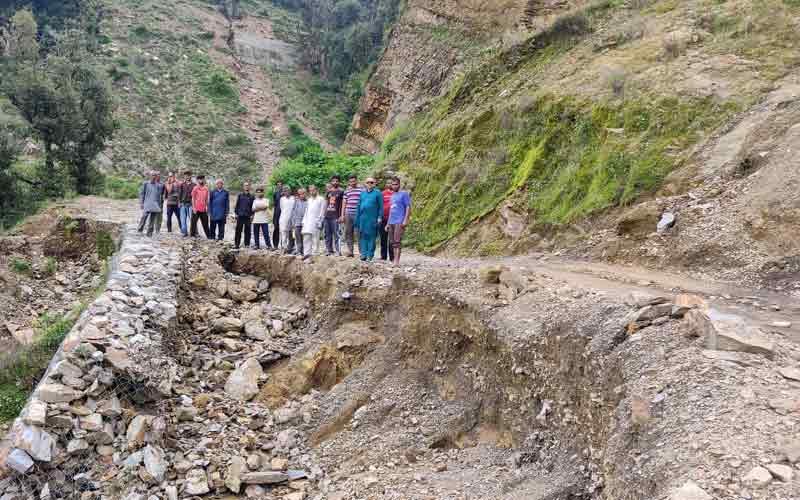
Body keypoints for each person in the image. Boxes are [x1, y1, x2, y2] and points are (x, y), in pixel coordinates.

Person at [387, 176, 412, 266]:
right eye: (393, 184)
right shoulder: (392, 196)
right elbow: (391, 210)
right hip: (392, 221)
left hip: (399, 221)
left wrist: (405, 220)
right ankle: (394, 259)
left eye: (396, 184)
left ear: (399, 185)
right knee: (392, 242)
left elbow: (408, 207)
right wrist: (387, 223)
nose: (394, 186)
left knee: (397, 241)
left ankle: (396, 261)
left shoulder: (404, 194)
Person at [356, 177, 383, 261]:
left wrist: (380, 217)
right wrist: (357, 218)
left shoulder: (377, 193)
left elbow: (381, 207)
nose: (369, 184)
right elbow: (359, 206)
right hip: (363, 218)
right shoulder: (362, 193)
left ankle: (369, 255)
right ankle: (363, 254)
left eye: (371, 182)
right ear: (365, 184)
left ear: (374, 184)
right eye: (368, 182)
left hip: (372, 218)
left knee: (371, 237)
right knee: (363, 236)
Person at [342, 175, 363, 257]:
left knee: (359, 233)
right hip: (348, 213)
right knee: (348, 232)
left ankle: (362, 252)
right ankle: (350, 251)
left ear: (357, 181)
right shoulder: (347, 191)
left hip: (358, 214)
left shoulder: (362, 190)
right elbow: (344, 203)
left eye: (354, 181)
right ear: (349, 182)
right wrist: (342, 215)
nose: (352, 183)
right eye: (351, 181)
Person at [138, 171, 165, 238]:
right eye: (152, 175)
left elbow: (159, 196)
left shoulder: (158, 186)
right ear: (150, 176)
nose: (154, 177)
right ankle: (140, 229)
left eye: (155, 175)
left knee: (152, 220)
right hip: (147, 203)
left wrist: (159, 205)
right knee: (144, 216)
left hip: (155, 204)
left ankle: (149, 234)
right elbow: (142, 194)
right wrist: (141, 203)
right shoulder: (146, 184)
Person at [303, 184, 326, 259]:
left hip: (316, 221)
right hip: (307, 221)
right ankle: (306, 254)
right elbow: (306, 211)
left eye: (313, 190)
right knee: (306, 238)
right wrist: (304, 221)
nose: (312, 192)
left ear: (316, 190)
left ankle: (314, 254)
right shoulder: (309, 200)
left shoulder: (321, 199)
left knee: (315, 239)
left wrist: (320, 222)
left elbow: (322, 211)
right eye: (310, 191)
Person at [324, 177, 344, 256]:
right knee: (327, 234)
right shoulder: (328, 191)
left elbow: (343, 204)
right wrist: (324, 214)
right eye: (333, 181)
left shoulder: (341, 191)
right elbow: (326, 203)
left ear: (339, 182)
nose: (335, 182)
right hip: (327, 215)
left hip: (336, 216)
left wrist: (341, 215)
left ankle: (338, 251)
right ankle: (329, 250)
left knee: (336, 234)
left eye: (336, 181)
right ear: (331, 182)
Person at [234, 182, 255, 250]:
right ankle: (237, 244)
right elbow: (237, 205)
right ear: (243, 187)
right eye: (245, 185)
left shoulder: (252, 196)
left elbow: (253, 206)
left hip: (248, 216)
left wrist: (252, 215)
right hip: (240, 215)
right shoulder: (240, 195)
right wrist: (236, 213)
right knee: (238, 231)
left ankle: (247, 244)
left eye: (248, 185)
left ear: (249, 187)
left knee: (248, 231)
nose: (246, 187)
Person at [289, 188, 307, 255]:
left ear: (305, 194)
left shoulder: (308, 202)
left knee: (304, 237)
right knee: (297, 237)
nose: (301, 195)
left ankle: (304, 251)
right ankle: (298, 250)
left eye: (303, 194)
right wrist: (293, 221)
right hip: (297, 222)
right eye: (300, 194)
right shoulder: (296, 202)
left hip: (305, 223)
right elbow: (293, 212)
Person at [380, 180, 394, 262]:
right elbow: (380, 204)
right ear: (385, 184)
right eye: (388, 183)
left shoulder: (395, 193)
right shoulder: (382, 193)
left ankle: (392, 257)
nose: (389, 185)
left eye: (391, 183)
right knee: (383, 238)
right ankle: (383, 256)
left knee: (391, 239)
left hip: (392, 219)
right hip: (383, 218)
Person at [178, 170, 195, 236]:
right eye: (186, 176)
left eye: (188, 175)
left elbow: (196, 196)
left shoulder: (194, 185)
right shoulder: (182, 185)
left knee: (192, 219)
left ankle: (193, 232)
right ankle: (184, 232)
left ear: (190, 176)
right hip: (183, 204)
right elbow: (180, 194)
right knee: (183, 219)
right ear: (184, 176)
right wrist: (179, 202)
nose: (187, 177)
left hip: (191, 204)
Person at [278, 186, 295, 251]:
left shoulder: (293, 198)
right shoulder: (282, 199)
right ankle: (284, 247)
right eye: (285, 191)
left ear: (290, 191)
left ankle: (291, 247)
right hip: (283, 217)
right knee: (283, 232)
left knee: (291, 233)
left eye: (287, 191)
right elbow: (281, 208)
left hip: (291, 218)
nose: (286, 192)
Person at [272, 181, 283, 249]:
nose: (279, 186)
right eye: (278, 185)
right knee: (276, 228)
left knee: (284, 230)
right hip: (276, 214)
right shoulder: (275, 193)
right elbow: (274, 204)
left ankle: (283, 245)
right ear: (276, 186)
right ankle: (275, 245)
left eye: (280, 184)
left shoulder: (285, 194)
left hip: (283, 214)